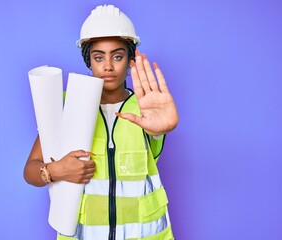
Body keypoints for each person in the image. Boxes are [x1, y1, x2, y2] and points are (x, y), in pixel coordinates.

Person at [24, 4, 179, 240]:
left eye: (117, 56)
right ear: (89, 61)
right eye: (99, 57)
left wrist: (161, 132)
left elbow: (154, 142)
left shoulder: (146, 107)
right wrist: (55, 170)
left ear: (130, 60)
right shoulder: (67, 107)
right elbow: (30, 171)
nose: (108, 66)